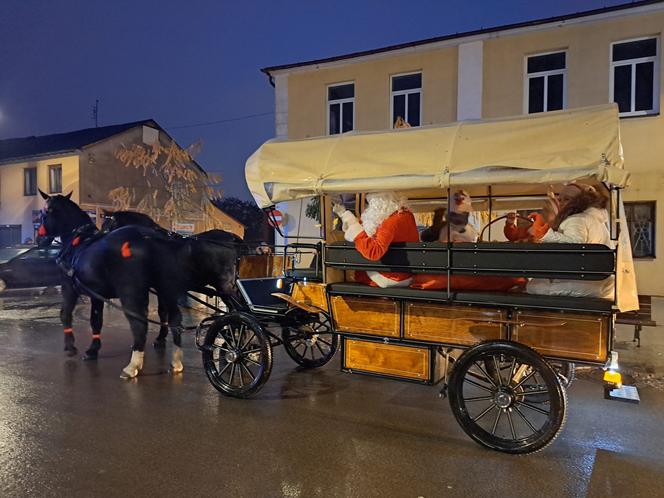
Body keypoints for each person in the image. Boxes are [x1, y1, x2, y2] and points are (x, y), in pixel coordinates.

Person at [526, 182, 614, 298]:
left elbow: (574, 246)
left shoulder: (576, 219)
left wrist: (544, 234)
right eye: (560, 199)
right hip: (597, 282)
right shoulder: (593, 219)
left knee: (533, 286)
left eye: (567, 199)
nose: (561, 203)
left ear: (581, 201)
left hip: (580, 284)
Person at [333, 192, 419, 287]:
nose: (369, 208)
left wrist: (353, 227)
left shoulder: (391, 221)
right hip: (406, 273)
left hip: (391, 277)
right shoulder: (405, 215)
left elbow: (374, 252)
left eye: (371, 203)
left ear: (379, 203)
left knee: (353, 272)